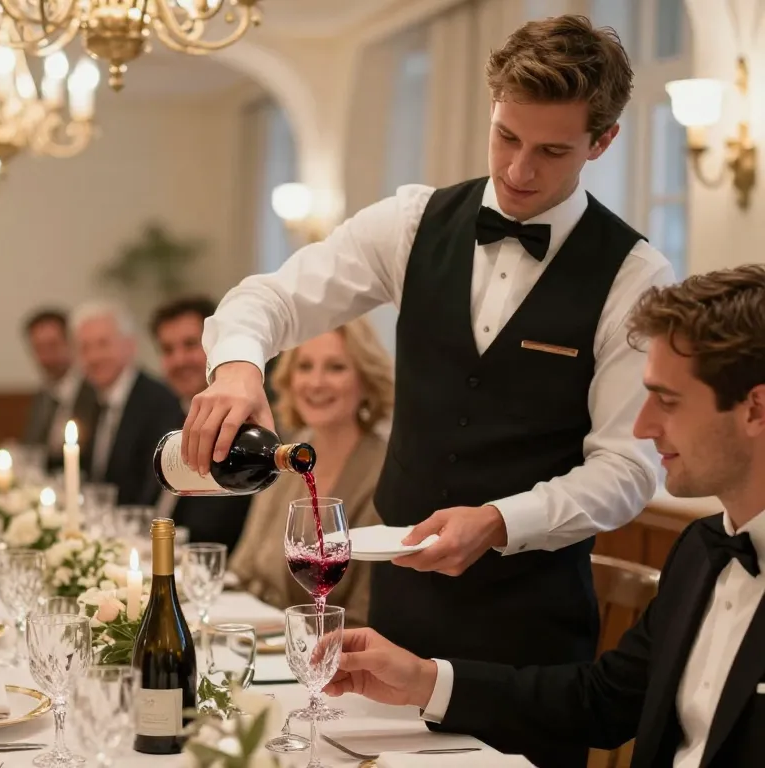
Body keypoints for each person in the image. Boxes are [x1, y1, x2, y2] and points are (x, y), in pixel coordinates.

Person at [183, 17, 674, 763]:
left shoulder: (635, 278)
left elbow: (629, 469)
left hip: (529, 648)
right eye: (506, 137)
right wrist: (240, 367)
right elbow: (268, 298)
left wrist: (501, 521)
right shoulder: (413, 224)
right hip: (393, 632)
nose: (518, 171)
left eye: (551, 151)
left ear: (601, 143)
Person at [323, 265, 765, 768]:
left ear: (755, 409)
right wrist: (422, 680)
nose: (642, 427)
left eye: (667, 401)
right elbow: (601, 701)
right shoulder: (701, 549)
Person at [229, 318, 393, 625]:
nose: (316, 382)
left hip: (335, 656)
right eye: (305, 367)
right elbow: (243, 570)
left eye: (336, 367)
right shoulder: (287, 457)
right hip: (263, 645)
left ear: (366, 380)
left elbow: (367, 613)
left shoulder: (385, 473)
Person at [150, 296, 250, 552]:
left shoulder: (241, 427)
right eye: (168, 350)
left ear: (219, 348)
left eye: (190, 345)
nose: (179, 360)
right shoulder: (167, 415)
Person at [72, 301, 184, 506]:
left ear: (130, 346)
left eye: (103, 344)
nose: (93, 357)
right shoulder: (88, 400)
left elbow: (152, 489)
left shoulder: (159, 400)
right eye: (84, 348)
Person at [20, 308, 82, 471]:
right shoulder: (44, 394)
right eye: (39, 348)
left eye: (52, 346)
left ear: (71, 343)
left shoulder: (93, 393)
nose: (46, 357)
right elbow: (32, 447)